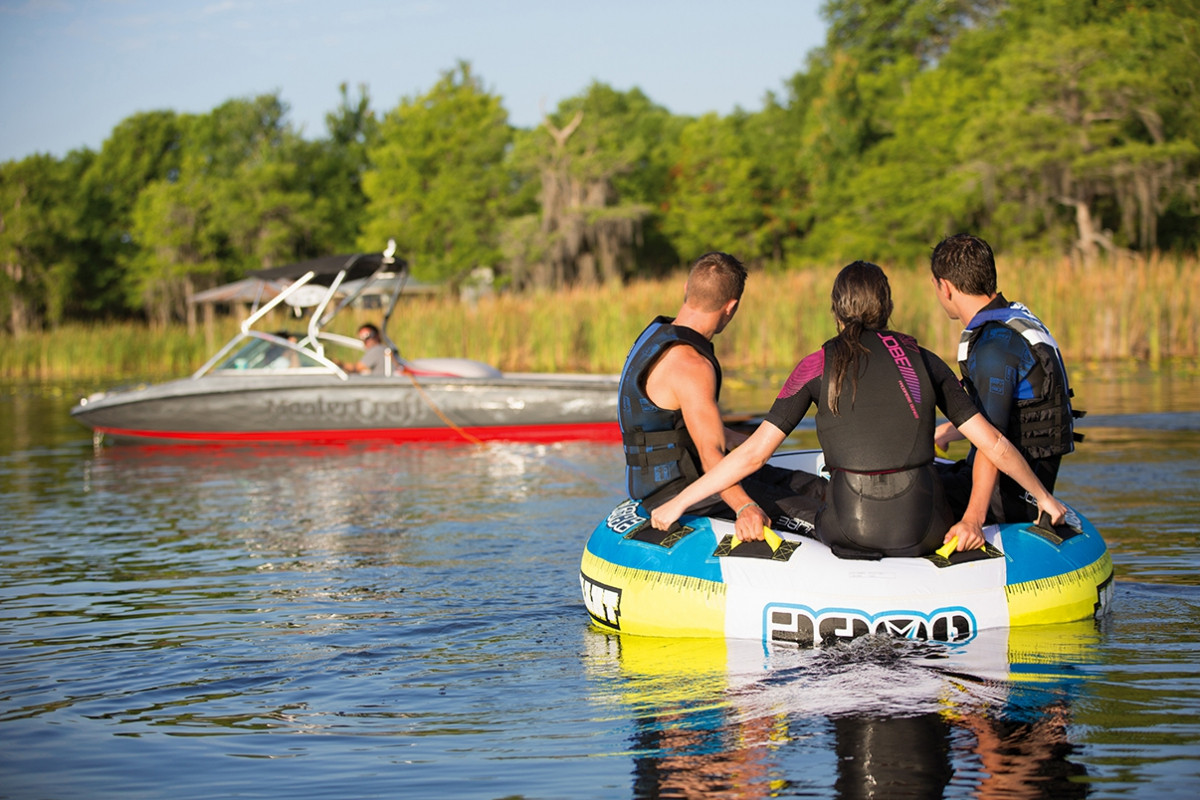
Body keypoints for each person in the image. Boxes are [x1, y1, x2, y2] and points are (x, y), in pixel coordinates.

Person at [650, 261, 1068, 557]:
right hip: (926, 529)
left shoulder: (815, 364)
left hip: (849, 532)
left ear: (837, 309)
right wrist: (1044, 499)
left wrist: (678, 502)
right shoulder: (924, 359)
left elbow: (753, 454)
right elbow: (993, 443)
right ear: (886, 308)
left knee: (766, 487)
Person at [619, 251, 825, 542]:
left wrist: (747, 445)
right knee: (826, 517)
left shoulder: (654, 335)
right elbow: (710, 455)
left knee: (820, 488)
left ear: (687, 289)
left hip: (665, 481)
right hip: (683, 492)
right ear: (731, 307)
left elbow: (675, 425)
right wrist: (745, 506)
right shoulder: (692, 364)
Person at [929, 234, 1082, 546]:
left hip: (1008, 498)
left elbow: (993, 439)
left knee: (891, 492)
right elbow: (1015, 413)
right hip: (1024, 484)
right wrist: (948, 432)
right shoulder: (1016, 321)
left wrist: (973, 518)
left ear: (944, 286)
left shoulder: (992, 346)